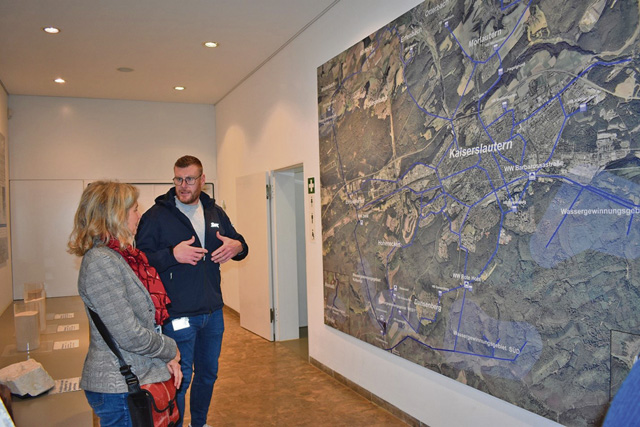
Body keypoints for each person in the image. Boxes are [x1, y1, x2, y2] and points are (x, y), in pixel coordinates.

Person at [136, 155, 248, 427]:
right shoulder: (156, 216)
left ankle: (199, 423)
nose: (183, 185)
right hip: (177, 314)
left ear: (202, 180)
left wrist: (238, 247)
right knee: (180, 378)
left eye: (189, 179)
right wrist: (172, 254)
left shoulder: (214, 212)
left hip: (213, 313)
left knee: (208, 375)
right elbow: (139, 261)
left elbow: (239, 244)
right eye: (178, 179)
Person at [68, 180, 182, 426]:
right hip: (119, 388)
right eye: (134, 210)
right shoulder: (101, 261)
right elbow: (130, 335)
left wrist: (164, 359)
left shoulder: (120, 256)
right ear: (115, 215)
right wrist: (170, 349)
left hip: (133, 377)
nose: (139, 216)